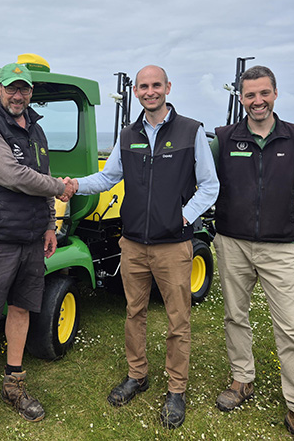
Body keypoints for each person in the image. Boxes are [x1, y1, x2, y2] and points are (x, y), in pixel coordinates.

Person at [62, 65, 219, 429]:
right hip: (132, 244)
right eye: (143, 86)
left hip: (173, 247)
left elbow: (210, 186)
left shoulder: (190, 131)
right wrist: (70, 185)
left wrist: (183, 217)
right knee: (134, 314)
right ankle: (138, 375)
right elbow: (107, 177)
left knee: (178, 321)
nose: (150, 92)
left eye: (156, 85)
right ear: (135, 91)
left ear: (167, 87)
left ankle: (176, 390)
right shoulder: (128, 133)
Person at [0, 62, 75, 441]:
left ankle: (13, 384)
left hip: (29, 238)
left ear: (31, 92)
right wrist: (59, 187)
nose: (17, 95)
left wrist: (49, 225)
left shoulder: (36, 131)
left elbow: (37, 184)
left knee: (21, 308)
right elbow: (13, 175)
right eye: (11, 88)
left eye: (24, 89)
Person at [210, 65, 294, 440]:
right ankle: (242, 380)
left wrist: (276, 214)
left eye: (263, 93)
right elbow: (209, 181)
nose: (257, 101)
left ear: (275, 94)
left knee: (291, 327)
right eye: (249, 95)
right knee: (235, 317)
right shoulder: (224, 138)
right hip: (232, 243)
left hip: (279, 247)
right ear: (241, 98)